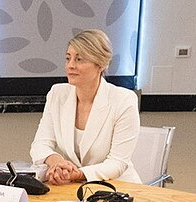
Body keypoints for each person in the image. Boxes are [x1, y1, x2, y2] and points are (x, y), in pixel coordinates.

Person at [31, 28, 142, 185]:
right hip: (72, 187)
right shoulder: (57, 93)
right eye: (68, 58)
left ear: (101, 65)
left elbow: (117, 163)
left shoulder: (123, 100)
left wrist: (77, 174)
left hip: (116, 187)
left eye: (79, 59)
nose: (70, 65)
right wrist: (56, 161)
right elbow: (40, 144)